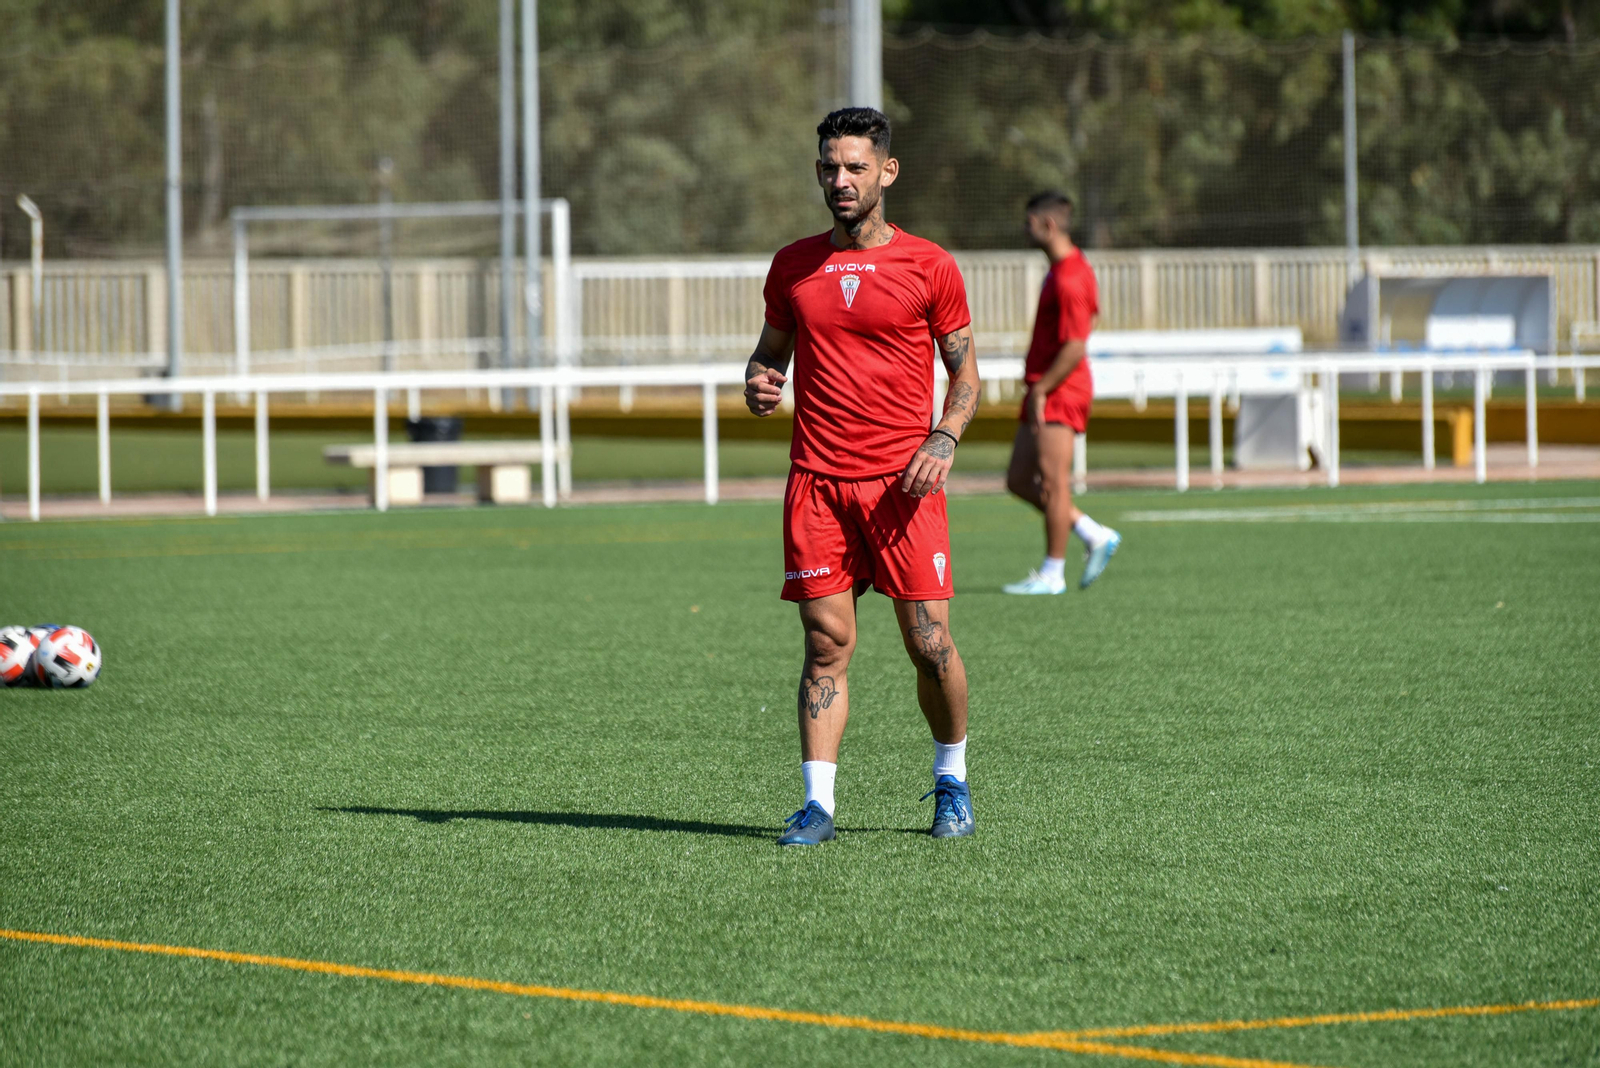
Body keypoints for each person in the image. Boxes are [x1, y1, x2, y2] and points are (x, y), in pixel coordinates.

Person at [743, 107, 982, 847]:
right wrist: (759, 380)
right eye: (829, 167)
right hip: (817, 484)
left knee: (930, 645)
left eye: (855, 167)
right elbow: (769, 354)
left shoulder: (929, 265)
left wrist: (944, 434)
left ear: (888, 171)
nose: (840, 180)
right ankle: (817, 805)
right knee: (825, 646)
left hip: (904, 489)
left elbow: (967, 376)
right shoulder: (792, 266)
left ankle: (952, 781)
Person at [1003, 191, 1121, 595]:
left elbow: (1075, 345)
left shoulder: (1071, 277)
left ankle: (1053, 574)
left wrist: (1043, 387)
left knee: (1054, 483)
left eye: (1029, 223)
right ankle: (1093, 533)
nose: (1025, 230)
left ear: (1048, 225)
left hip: (1059, 389)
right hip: (1044, 387)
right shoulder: (1060, 270)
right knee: (1019, 479)